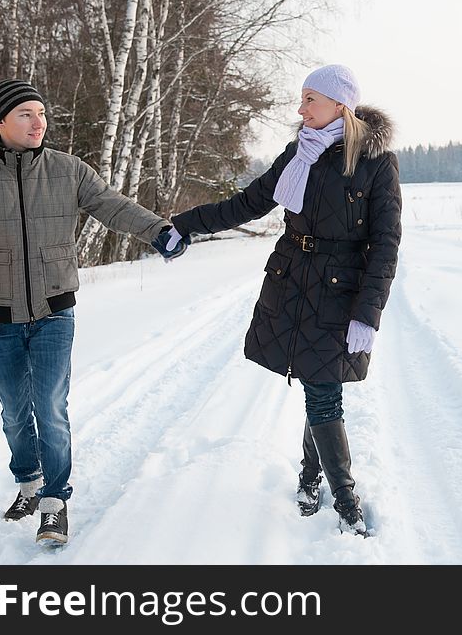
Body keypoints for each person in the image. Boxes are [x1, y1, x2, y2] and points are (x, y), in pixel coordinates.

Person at [0, 79, 181, 545]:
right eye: (26, 113)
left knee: (49, 407)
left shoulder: (67, 169)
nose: (38, 122)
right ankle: (27, 483)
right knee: (13, 410)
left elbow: (113, 207)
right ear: (1, 121)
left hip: (54, 310)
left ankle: (54, 500)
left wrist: (158, 231)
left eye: (42, 113)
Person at [163, 64, 401, 536]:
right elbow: (248, 203)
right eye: (302, 98)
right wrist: (184, 224)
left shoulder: (377, 163)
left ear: (340, 105)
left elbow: (386, 243)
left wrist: (367, 314)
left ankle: (345, 500)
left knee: (323, 390)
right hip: (292, 280)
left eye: (310, 99)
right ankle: (311, 478)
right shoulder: (298, 153)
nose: (300, 108)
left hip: (340, 290)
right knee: (319, 382)